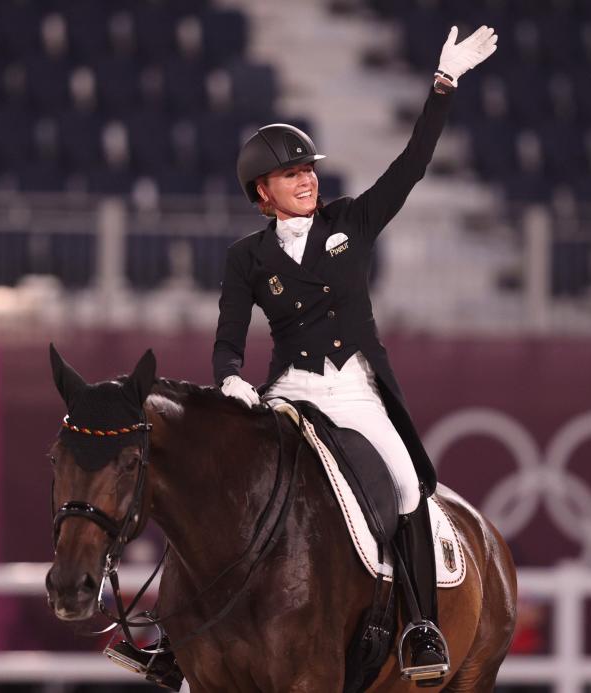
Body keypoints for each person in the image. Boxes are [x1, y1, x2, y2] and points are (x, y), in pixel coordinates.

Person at [212, 24, 498, 685]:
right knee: (225, 489)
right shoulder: (245, 259)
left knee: (407, 487)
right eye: (291, 173)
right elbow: (229, 335)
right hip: (292, 392)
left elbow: (412, 166)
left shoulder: (350, 223)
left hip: (356, 389)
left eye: (309, 169)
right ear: (262, 192)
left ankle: (422, 626)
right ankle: (181, 634)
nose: (306, 180)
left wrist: (443, 87)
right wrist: (228, 377)